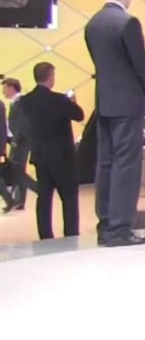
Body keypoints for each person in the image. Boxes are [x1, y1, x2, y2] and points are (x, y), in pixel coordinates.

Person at [84, 0, 145, 248]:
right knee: (127, 165)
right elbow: (141, 66)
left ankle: (106, 225)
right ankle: (121, 229)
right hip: (128, 104)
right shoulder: (128, 22)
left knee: (106, 163)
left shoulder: (93, 24)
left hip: (105, 102)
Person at [23, 62, 85, 240]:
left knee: (44, 197)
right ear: (50, 77)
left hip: (40, 155)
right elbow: (79, 115)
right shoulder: (60, 100)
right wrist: (73, 102)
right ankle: (71, 233)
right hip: (63, 156)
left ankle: (45, 234)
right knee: (69, 197)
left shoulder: (26, 102)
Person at [2, 78, 33, 212]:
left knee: (18, 171)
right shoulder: (14, 103)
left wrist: (15, 140)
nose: (3, 92)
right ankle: (19, 200)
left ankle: (37, 189)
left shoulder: (20, 102)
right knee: (17, 171)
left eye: (4, 88)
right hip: (15, 141)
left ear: (11, 88)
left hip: (21, 142)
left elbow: (23, 124)